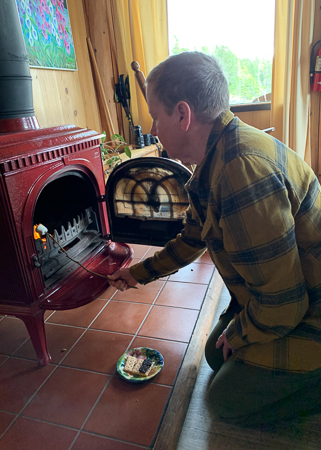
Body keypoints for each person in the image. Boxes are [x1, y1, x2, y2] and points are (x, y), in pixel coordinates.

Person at [108, 51, 321, 426]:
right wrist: (138, 273)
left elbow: (284, 304)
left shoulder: (241, 174)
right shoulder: (219, 153)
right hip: (289, 293)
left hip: (308, 307)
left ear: (183, 114)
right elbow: (192, 238)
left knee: (225, 400)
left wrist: (239, 332)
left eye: (156, 117)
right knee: (213, 353)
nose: (153, 130)